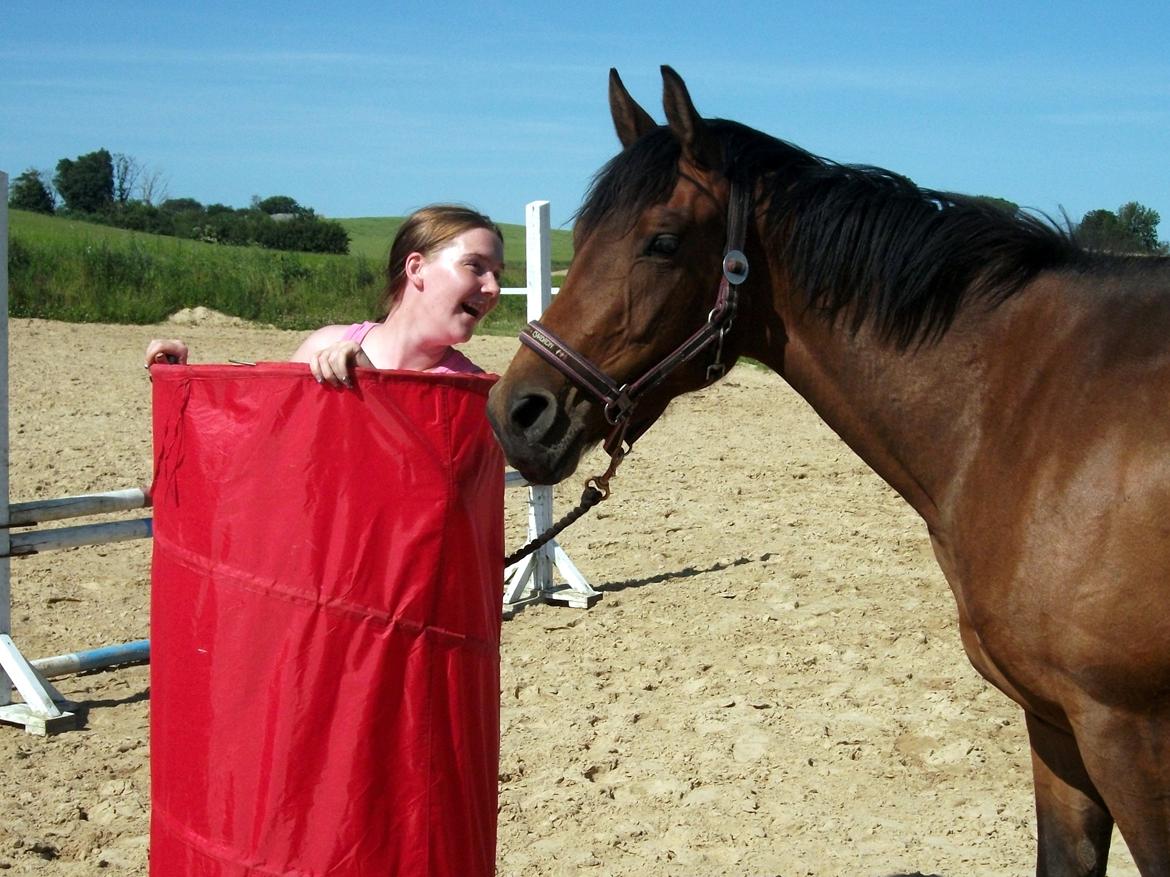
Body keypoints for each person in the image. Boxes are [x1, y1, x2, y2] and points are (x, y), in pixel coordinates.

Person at [145, 204, 505, 383]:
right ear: (416, 268)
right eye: (475, 266)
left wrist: (374, 387)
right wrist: (180, 379)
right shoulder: (325, 344)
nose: (493, 288)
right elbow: (263, 434)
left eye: (497, 274)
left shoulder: (468, 388)